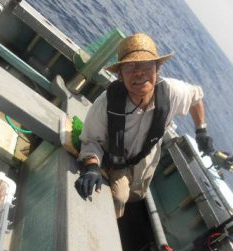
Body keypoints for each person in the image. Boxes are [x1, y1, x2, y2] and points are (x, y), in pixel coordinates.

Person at [75, 33, 214, 218]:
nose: (139, 72)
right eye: (130, 66)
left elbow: (196, 98)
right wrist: (92, 167)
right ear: (119, 75)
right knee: (118, 198)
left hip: (147, 160)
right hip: (113, 159)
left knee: (138, 194)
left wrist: (201, 131)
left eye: (146, 64)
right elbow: (91, 140)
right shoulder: (106, 103)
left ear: (158, 68)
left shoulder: (172, 93)